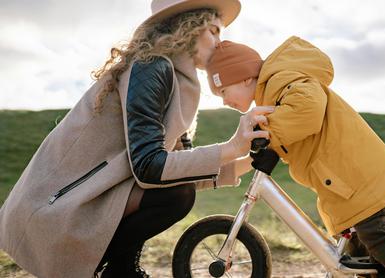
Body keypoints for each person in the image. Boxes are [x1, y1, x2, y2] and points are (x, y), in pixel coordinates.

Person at [0, 1, 274, 277]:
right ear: (187, 26)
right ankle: (119, 271)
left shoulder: (179, 82)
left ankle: (121, 270)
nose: (219, 42)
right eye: (213, 31)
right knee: (176, 196)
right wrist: (229, 148)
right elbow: (150, 168)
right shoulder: (151, 68)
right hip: (56, 210)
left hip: (86, 202)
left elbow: (178, 171)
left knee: (176, 191)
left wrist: (248, 158)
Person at [205, 38, 385, 278]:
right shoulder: (271, 97)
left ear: (245, 77)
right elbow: (290, 131)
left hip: (354, 174)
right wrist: (249, 157)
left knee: (375, 235)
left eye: (223, 91)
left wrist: (269, 132)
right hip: (340, 182)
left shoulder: (282, 81)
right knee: (357, 253)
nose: (224, 101)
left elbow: (307, 110)